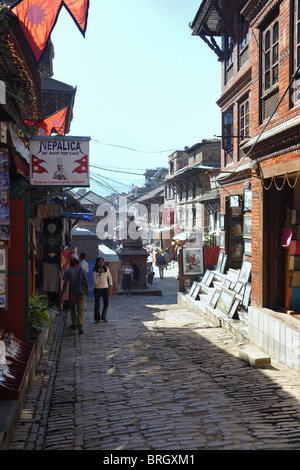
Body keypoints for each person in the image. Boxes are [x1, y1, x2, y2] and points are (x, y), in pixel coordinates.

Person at [62, 253, 89, 334]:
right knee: (81, 309)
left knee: (73, 309)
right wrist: (87, 290)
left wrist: (62, 293)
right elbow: (87, 282)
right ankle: (80, 324)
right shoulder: (82, 269)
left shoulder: (68, 271)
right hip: (82, 293)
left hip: (72, 292)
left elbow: (65, 283)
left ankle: (74, 324)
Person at [93, 257, 113, 323]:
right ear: (97, 262)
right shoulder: (95, 270)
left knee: (106, 303)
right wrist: (100, 275)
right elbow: (95, 281)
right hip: (97, 288)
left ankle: (103, 317)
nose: (101, 263)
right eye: (99, 261)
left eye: (102, 261)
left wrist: (110, 285)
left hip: (105, 288)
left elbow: (110, 277)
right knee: (97, 304)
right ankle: (97, 318)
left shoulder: (106, 269)